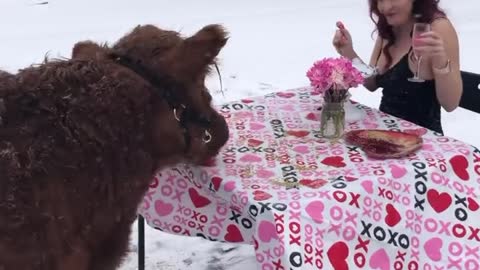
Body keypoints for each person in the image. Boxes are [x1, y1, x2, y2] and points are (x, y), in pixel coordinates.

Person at [332, 0, 462, 135]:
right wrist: (348, 52)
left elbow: (450, 103)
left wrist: (440, 61)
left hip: (424, 143)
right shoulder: (389, 27)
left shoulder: (437, 28)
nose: (386, 7)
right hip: (384, 135)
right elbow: (372, 83)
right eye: (380, 0)